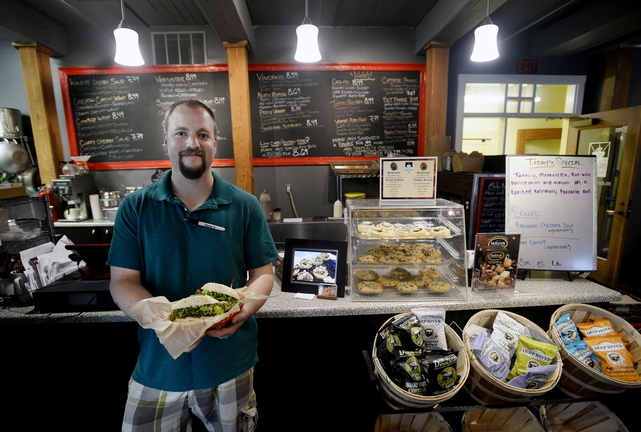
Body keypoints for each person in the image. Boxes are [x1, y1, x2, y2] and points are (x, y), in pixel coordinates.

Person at [108, 99, 278, 432]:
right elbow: (123, 281)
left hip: (229, 361)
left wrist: (243, 310)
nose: (192, 143)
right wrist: (164, 321)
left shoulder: (245, 205)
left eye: (202, 134)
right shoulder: (135, 207)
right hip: (158, 365)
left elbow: (263, 274)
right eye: (181, 133)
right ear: (166, 141)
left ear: (215, 142)